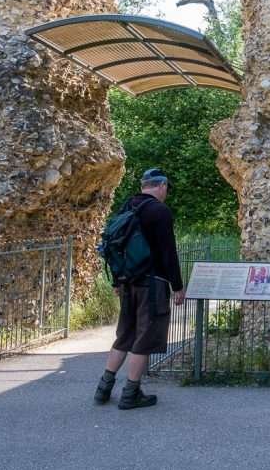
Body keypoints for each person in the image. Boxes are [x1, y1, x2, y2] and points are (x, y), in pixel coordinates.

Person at [94, 168, 186, 409]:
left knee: (124, 335)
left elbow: (115, 247)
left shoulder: (128, 206)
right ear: (162, 186)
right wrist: (177, 286)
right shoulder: (159, 211)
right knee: (145, 338)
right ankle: (130, 393)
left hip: (127, 282)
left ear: (144, 185)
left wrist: (117, 280)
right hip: (151, 283)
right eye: (166, 188)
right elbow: (168, 252)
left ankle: (103, 388)